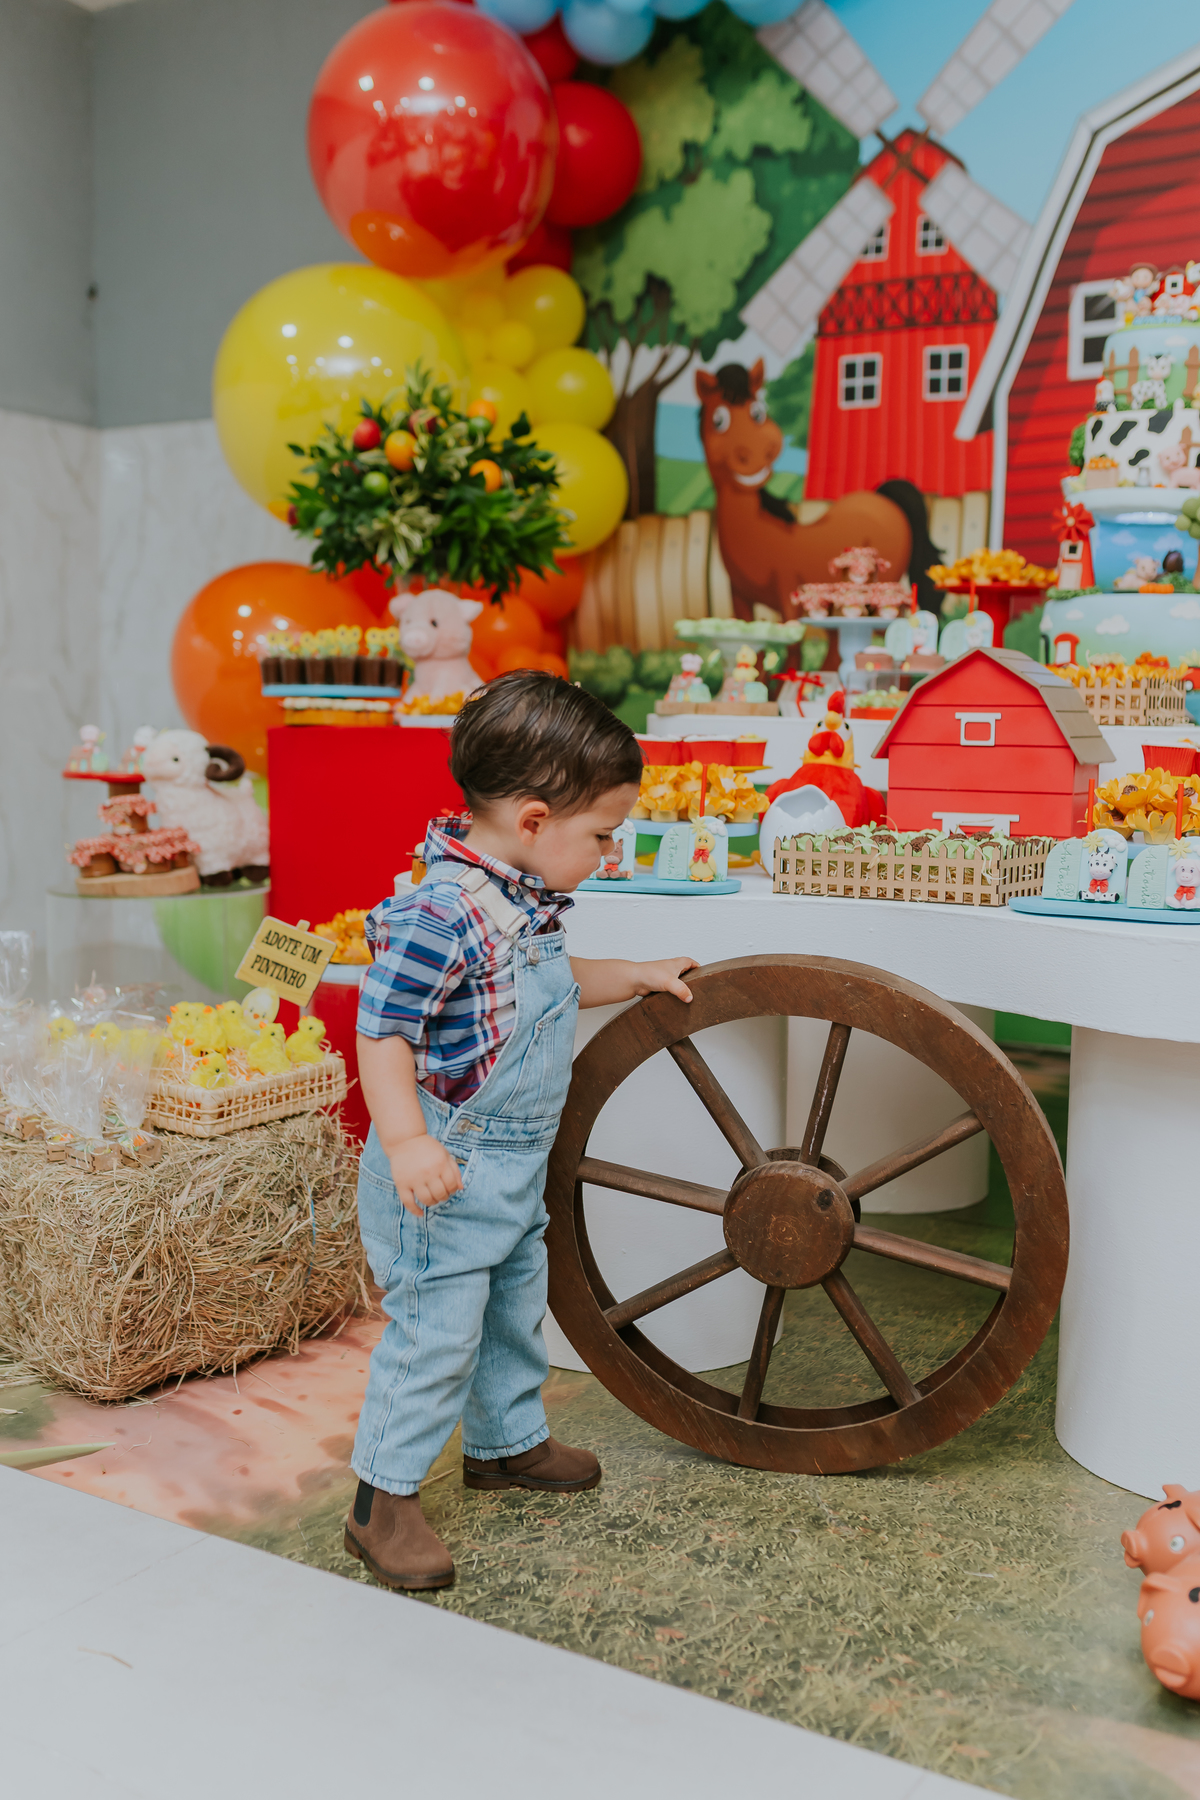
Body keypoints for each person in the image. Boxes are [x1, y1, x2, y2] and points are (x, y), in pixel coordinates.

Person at [344, 671, 698, 1591]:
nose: (610, 853)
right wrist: (410, 1142)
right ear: (535, 821)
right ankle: (381, 1502)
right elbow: (381, 1030)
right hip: (447, 1170)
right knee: (433, 1335)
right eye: (604, 835)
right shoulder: (440, 910)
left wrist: (635, 974)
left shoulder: (516, 898)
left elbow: (548, 977)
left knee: (510, 1312)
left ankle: (504, 1444)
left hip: (510, 1169)